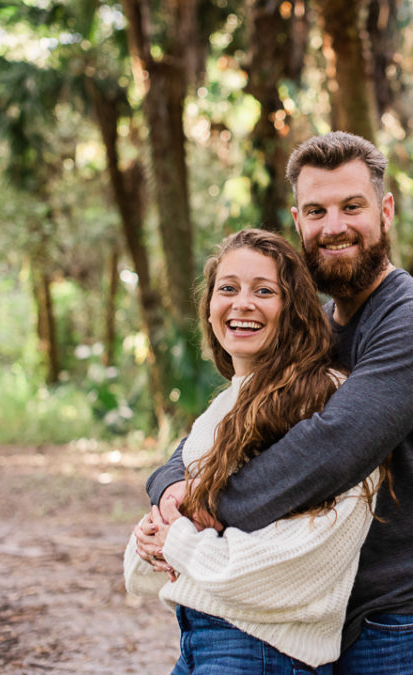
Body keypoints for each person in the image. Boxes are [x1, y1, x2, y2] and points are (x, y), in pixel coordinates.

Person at [137, 131, 413, 674]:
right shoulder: (314, 329)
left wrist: (202, 515)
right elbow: (231, 422)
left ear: (385, 210)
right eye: (317, 211)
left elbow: (329, 452)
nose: (334, 226)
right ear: (298, 222)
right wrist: (170, 487)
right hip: (313, 618)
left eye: (352, 206)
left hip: (404, 618)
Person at [124, 229, 381, 673]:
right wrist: (149, 541)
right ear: (209, 307)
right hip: (199, 642)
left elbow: (304, 566)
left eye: (264, 291)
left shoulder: (326, 402)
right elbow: (167, 541)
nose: (242, 303)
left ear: (295, 309)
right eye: (228, 288)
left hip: (261, 653)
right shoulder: (224, 406)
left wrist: (178, 543)